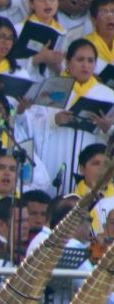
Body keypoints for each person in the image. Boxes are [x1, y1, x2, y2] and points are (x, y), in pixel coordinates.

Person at [32, 38, 114, 191]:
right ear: (68, 63)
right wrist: (54, 120)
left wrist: (108, 128)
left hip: (91, 156)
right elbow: (32, 124)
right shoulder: (52, 89)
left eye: (90, 61)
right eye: (80, 60)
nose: (85, 65)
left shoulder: (108, 95)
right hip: (57, 152)